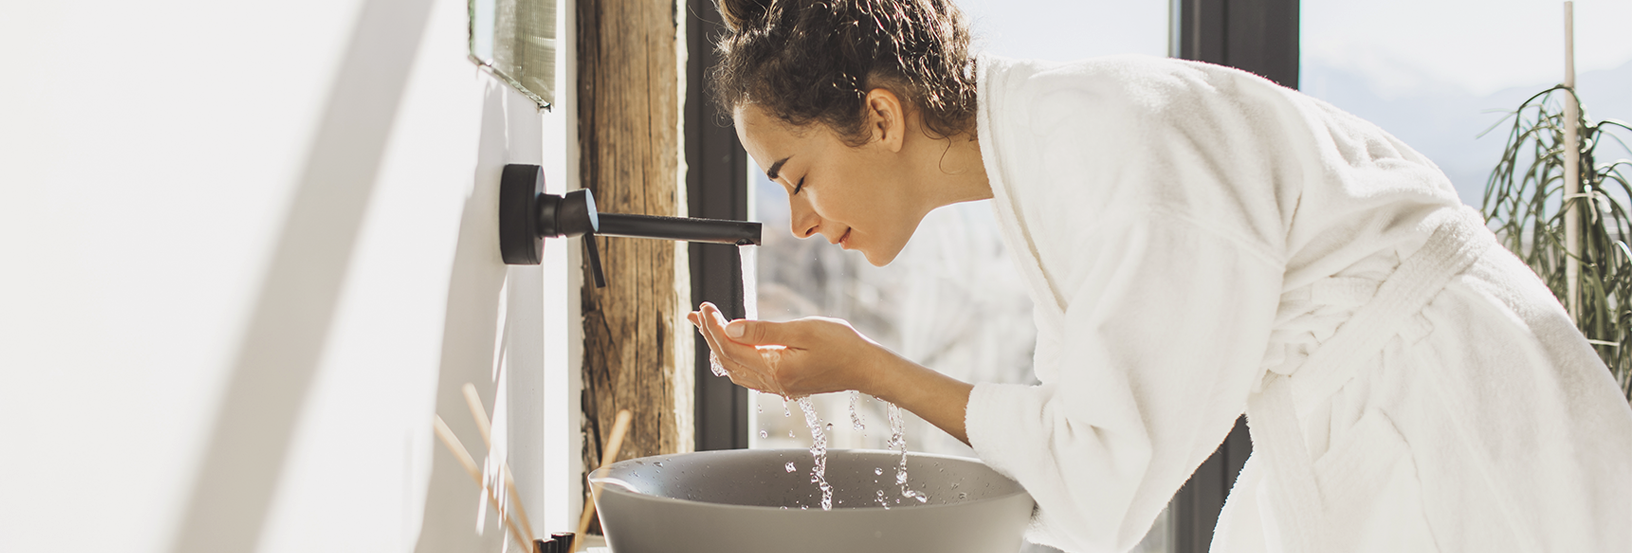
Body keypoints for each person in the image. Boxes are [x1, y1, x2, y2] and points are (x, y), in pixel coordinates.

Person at [686, 0, 1632, 551]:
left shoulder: (1112, 153)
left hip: (1449, 412)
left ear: (882, 120)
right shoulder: (1049, 154)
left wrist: (868, 369)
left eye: (796, 179)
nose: (801, 223)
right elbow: (1073, 449)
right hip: (1372, 398)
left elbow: (1101, 482)